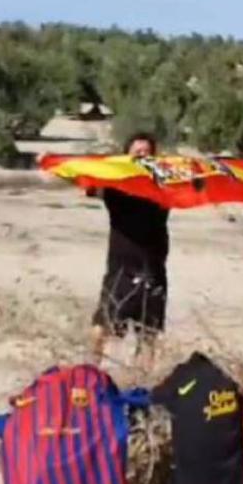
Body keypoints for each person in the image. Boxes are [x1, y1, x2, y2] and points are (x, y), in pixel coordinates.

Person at [89, 133, 169, 372]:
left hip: (153, 269)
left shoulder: (164, 187)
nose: (143, 156)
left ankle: (141, 382)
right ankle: (91, 373)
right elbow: (88, 182)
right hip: (120, 269)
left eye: (147, 152)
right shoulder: (115, 187)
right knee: (102, 326)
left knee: (149, 335)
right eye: (137, 153)